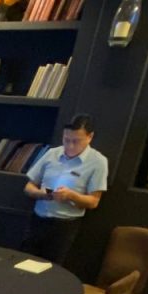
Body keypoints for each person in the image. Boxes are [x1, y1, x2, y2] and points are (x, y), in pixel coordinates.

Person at [21, 113, 108, 264]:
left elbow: (94, 201)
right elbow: (28, 186)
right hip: (38, 219)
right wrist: (42, 194)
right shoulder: (52, 154)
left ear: (90, 137)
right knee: (23, 263)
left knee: (52, 269)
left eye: (76, 141)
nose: (70, 146)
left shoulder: (98, 162)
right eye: (66, 140)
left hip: (65, 226)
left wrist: (70, 195)